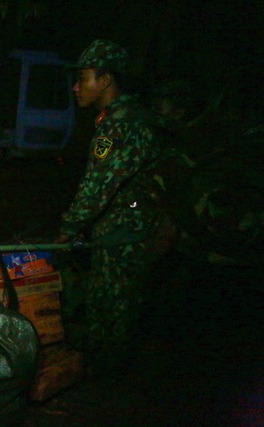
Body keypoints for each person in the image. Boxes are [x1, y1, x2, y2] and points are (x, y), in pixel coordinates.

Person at [55, 39, 162, 377]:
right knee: (110, 304)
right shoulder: (123, 118)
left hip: (124, 234)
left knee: (113, 309)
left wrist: (68, 228)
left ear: (105, 81)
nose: (76, 87)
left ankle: (106, 381)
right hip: (125, 229)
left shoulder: (120, 125)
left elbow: (98, 186)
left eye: (83, 78)